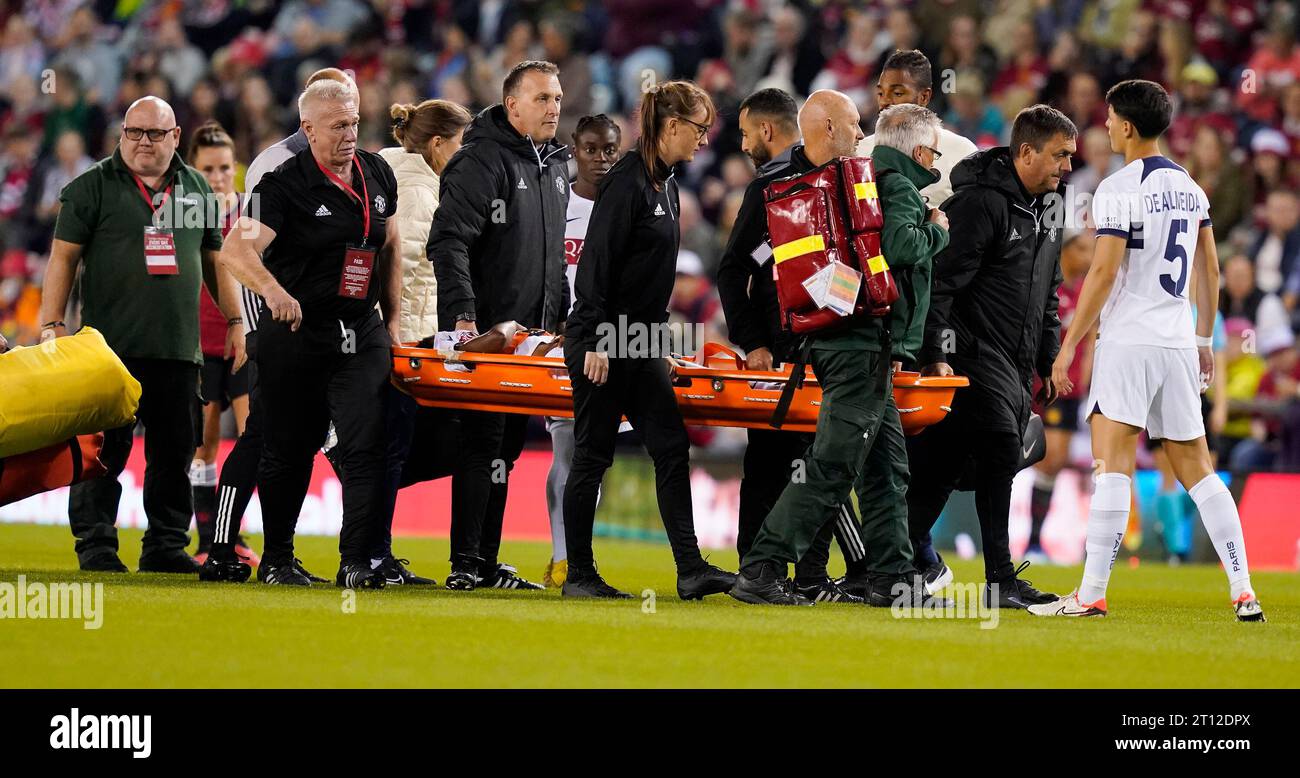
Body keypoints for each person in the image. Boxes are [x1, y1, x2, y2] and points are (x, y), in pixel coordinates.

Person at [1032, 80, 1265, 622]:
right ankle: (1244, 590)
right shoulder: (1192, 187)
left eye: (1111, 119)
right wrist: (1204, 339)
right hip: (1179, 340)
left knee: (1112, 465)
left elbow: (1105, 270)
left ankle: (1090, 594)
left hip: (1130, 339)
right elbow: (1208, 270)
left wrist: (1068, 348)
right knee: (1200, 471)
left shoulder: (1117, 188)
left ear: (1128, 126)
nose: (1107, 127)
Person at [39, 96, 243, 573]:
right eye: (134, 132)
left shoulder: (196, 189)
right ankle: (96, 546)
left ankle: (166, 547)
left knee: (174, 452)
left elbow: (215, 262)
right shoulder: (89, 188)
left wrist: (236, 322)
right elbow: (62, 258)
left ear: (175, 137)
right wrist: (51, 325)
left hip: (177, 349)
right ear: (122, 133)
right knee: (102, 454)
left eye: (155, 133)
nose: (143, 142)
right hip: (105, 350)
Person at [218, 78, 400, 589]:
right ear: (308, 129)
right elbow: (235, 250)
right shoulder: (283, 185)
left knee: (367, 442)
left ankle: (356, 563)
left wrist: (394, 321)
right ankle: (278, 560)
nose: (349, 133)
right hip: (296, 331)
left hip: (360, 331)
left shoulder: (377, 172)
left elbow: (390, 243)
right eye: (338, 125)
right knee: (287, 449)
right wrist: (274, 293)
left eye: (355, 123)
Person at [729, 90, 907, 606]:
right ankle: (763, 566)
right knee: (831, 464)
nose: (861, 131)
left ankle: (893, 579)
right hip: (846, 342)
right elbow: (826, 275)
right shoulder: (807, 191)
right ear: (827, 126)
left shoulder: (838, 183)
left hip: (855, 339)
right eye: (854, 123)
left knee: (887, 465)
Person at [562, 79, 736, 599]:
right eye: (700, 129)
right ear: (672, 126)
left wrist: (656, 343)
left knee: (670, 444)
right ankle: (579, 576)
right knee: (592, 454)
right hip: (603, 336)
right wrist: (593, 339)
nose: (704, 140)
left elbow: (649, 283)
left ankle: (690, 568)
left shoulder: (666, 184)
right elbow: (597, 262)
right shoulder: (627, 182)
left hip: (637, 338)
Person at [906, 105, 1077, 609]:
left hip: (1016, 359)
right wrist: (937, 352)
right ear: (1025, 152)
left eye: (1069, 157)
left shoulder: (1050, 208)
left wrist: (1048, 360)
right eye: (1059, 156)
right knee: (1003, 447)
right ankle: (1000, 579)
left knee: (944, 463)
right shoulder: (978, 205)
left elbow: (1048, 292)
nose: (1066, 167)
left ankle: (895, 555)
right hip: (971, 353)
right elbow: (940, 286)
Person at [199, 68, 357, 584]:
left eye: (350, 102)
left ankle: (277, 554)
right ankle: (222, 546)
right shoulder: (275, 163)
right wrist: (252, 324)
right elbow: (245, 253)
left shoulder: (348, 163)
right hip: (276, 326)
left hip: (318, 333)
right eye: (336, 101)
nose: (346, 111)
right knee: (261, 435)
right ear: (309, 112)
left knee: (289, 438)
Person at [427, 60, 572, 591]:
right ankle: (465, 564)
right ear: (512, 106)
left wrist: (559, 319)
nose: (554, 106)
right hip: (488, 335)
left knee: (505, 449)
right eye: (542, 98)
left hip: (532, 339)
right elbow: (448, 241)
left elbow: (550, 256)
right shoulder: (480, 160)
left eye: (557, 97)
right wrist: (465, 318)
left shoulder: (554, 164)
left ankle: (485, 562)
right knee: (482, 444)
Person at [374, 97, 473, 585]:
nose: (467, 154)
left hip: (412, 339)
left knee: (397, 451)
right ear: (438, 144)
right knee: (396, 451)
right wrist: (395, 334)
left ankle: (375, 549)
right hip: (409, 343)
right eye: (462, 143)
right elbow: (400, 265)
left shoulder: (404, 179)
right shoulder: (418, 192)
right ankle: (375, 553)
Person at [541, 112, 622, 589]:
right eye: (590, 149)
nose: (600, 158)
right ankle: (563, 557)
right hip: (565, 344)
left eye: (609, 149)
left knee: (593, 452)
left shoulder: (627, 205)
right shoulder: (559, 207)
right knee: (568, 445)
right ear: (575, 150)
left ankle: (575, 558)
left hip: (619, 343)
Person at [185, 120, 258, 567]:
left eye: (225, 167)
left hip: (245, 343)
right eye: (208, 168)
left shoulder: (251, 212)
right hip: (200, 346)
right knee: (204, 449)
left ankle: (236, 536)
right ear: (194, 168)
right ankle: (206, 540)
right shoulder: (182, 213)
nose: (217, 176)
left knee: (254, 440)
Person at [1025, 229, 1095, 564]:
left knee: (1053, 460)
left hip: (1068, 389)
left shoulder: (1086, 291)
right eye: (1083, 248)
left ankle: (1035, 541)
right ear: (1065, 249)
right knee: (1040, 456)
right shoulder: (1046, 284)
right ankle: (1028, 539)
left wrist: (1089, 381)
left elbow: (1092, 339)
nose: (1090, 256)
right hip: (1037, 383)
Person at [856, 49, 978, 207]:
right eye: (880, 93)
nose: (885, 101)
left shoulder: (962, 151)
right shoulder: (860, 153)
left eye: (897, 93)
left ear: (924, 97)